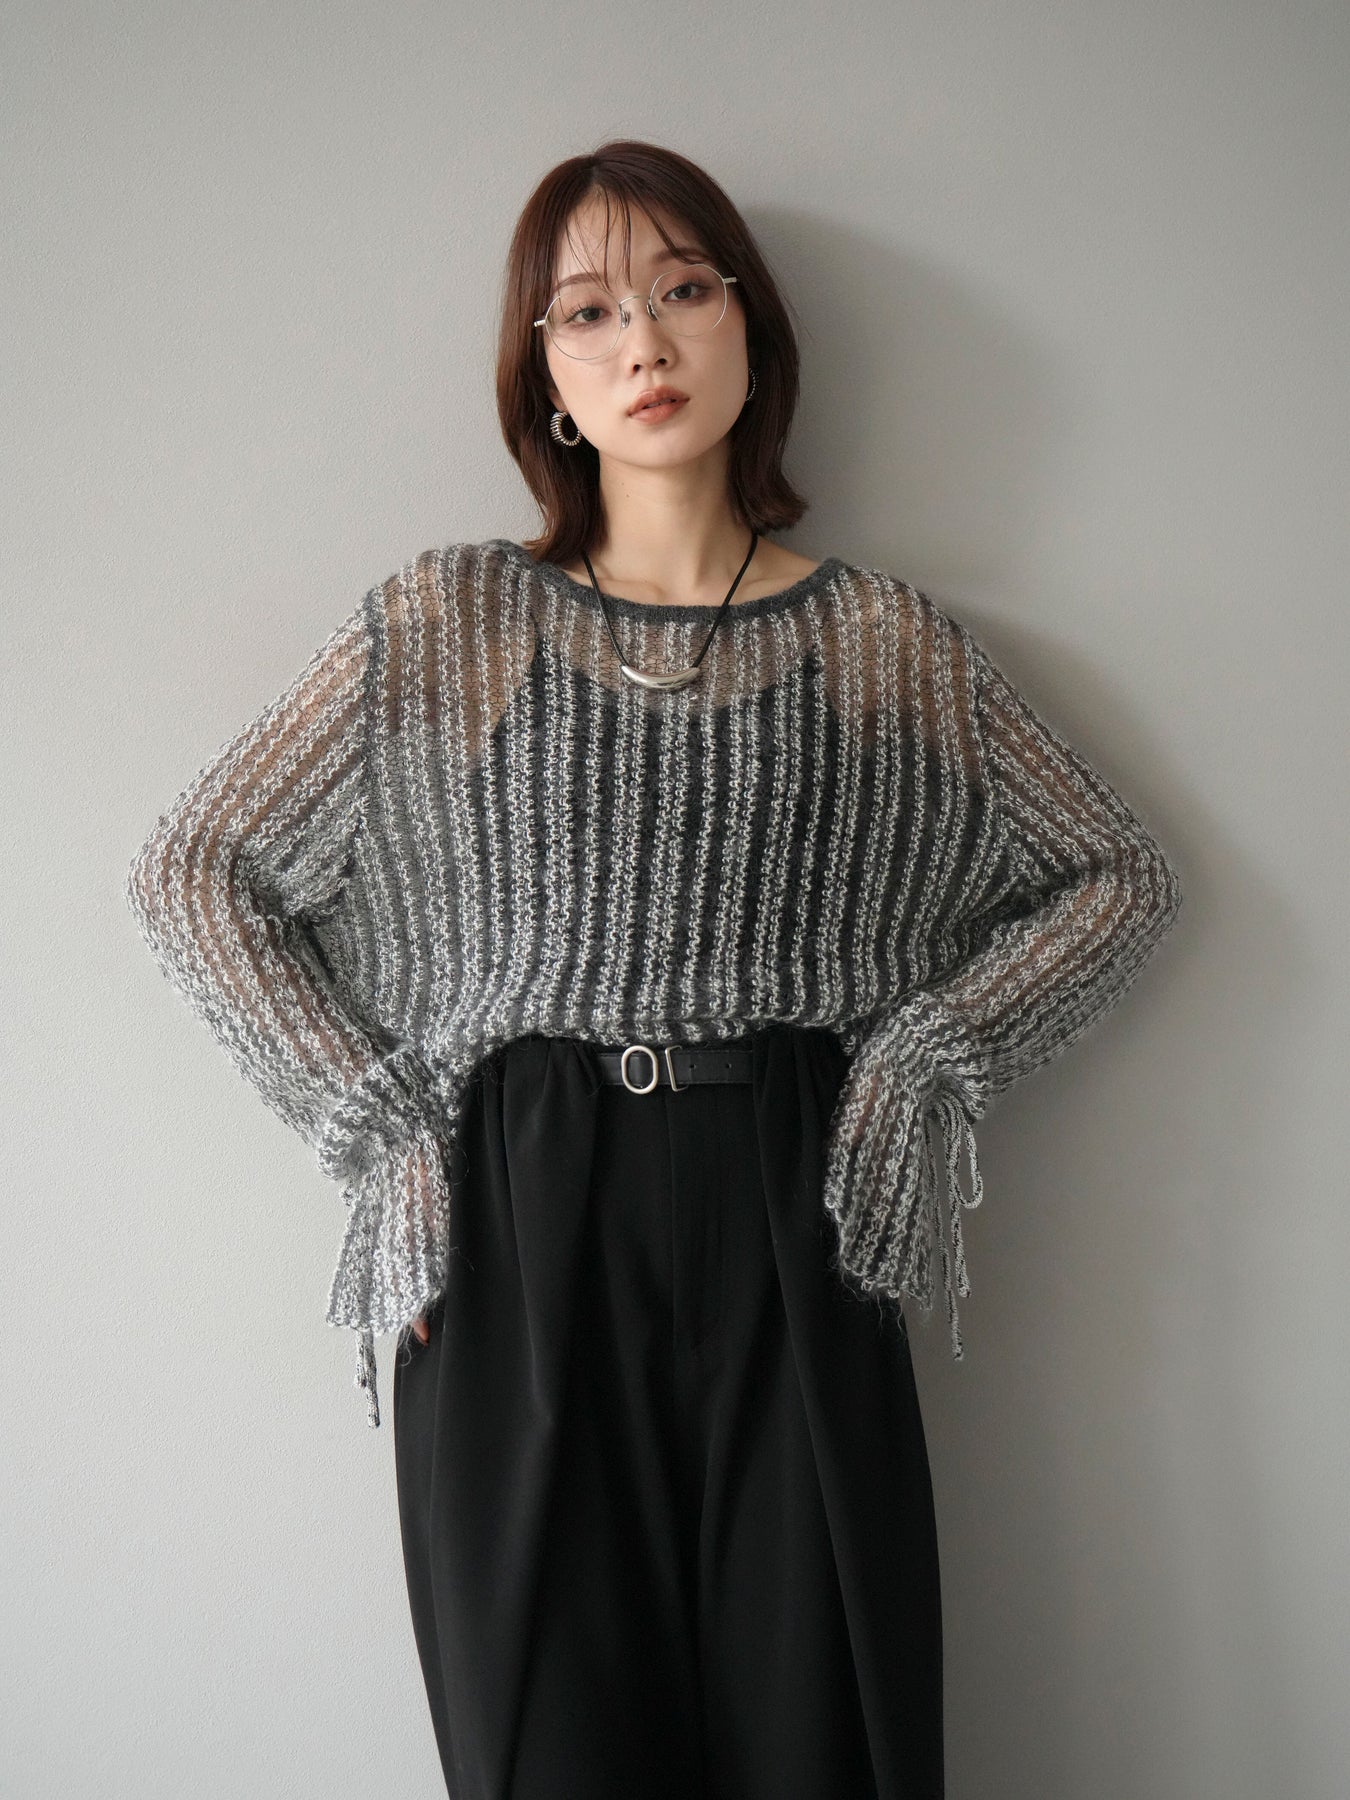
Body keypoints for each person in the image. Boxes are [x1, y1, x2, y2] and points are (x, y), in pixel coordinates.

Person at [124, 139, 1183, 1800]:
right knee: (550, 1742)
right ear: (542, 376)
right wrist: (375, 1126)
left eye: (685, 289)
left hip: (796, 1195)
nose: (644, 342)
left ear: (751, 326)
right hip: (517, 1210)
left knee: (822, 1734)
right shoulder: (449, 624)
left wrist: (926, 1057)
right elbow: (195, 868)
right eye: (588, 312)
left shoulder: (883, 644)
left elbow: (1115, 876)